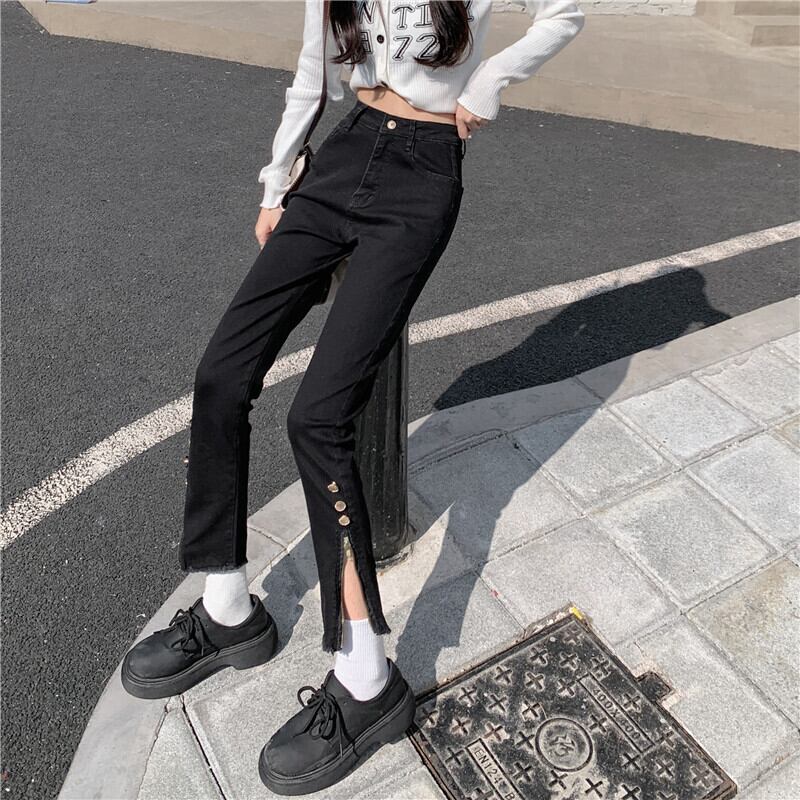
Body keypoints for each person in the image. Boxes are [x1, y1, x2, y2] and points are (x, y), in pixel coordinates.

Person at [120, 0, 584, 794]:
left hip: (423, 174)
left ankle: (368, 677)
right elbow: (312, 74)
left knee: (319, 418)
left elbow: (565, 11)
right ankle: (228, 608)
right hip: (341, 157)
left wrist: (491, 84)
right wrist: (277, 182)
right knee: (221, 375)